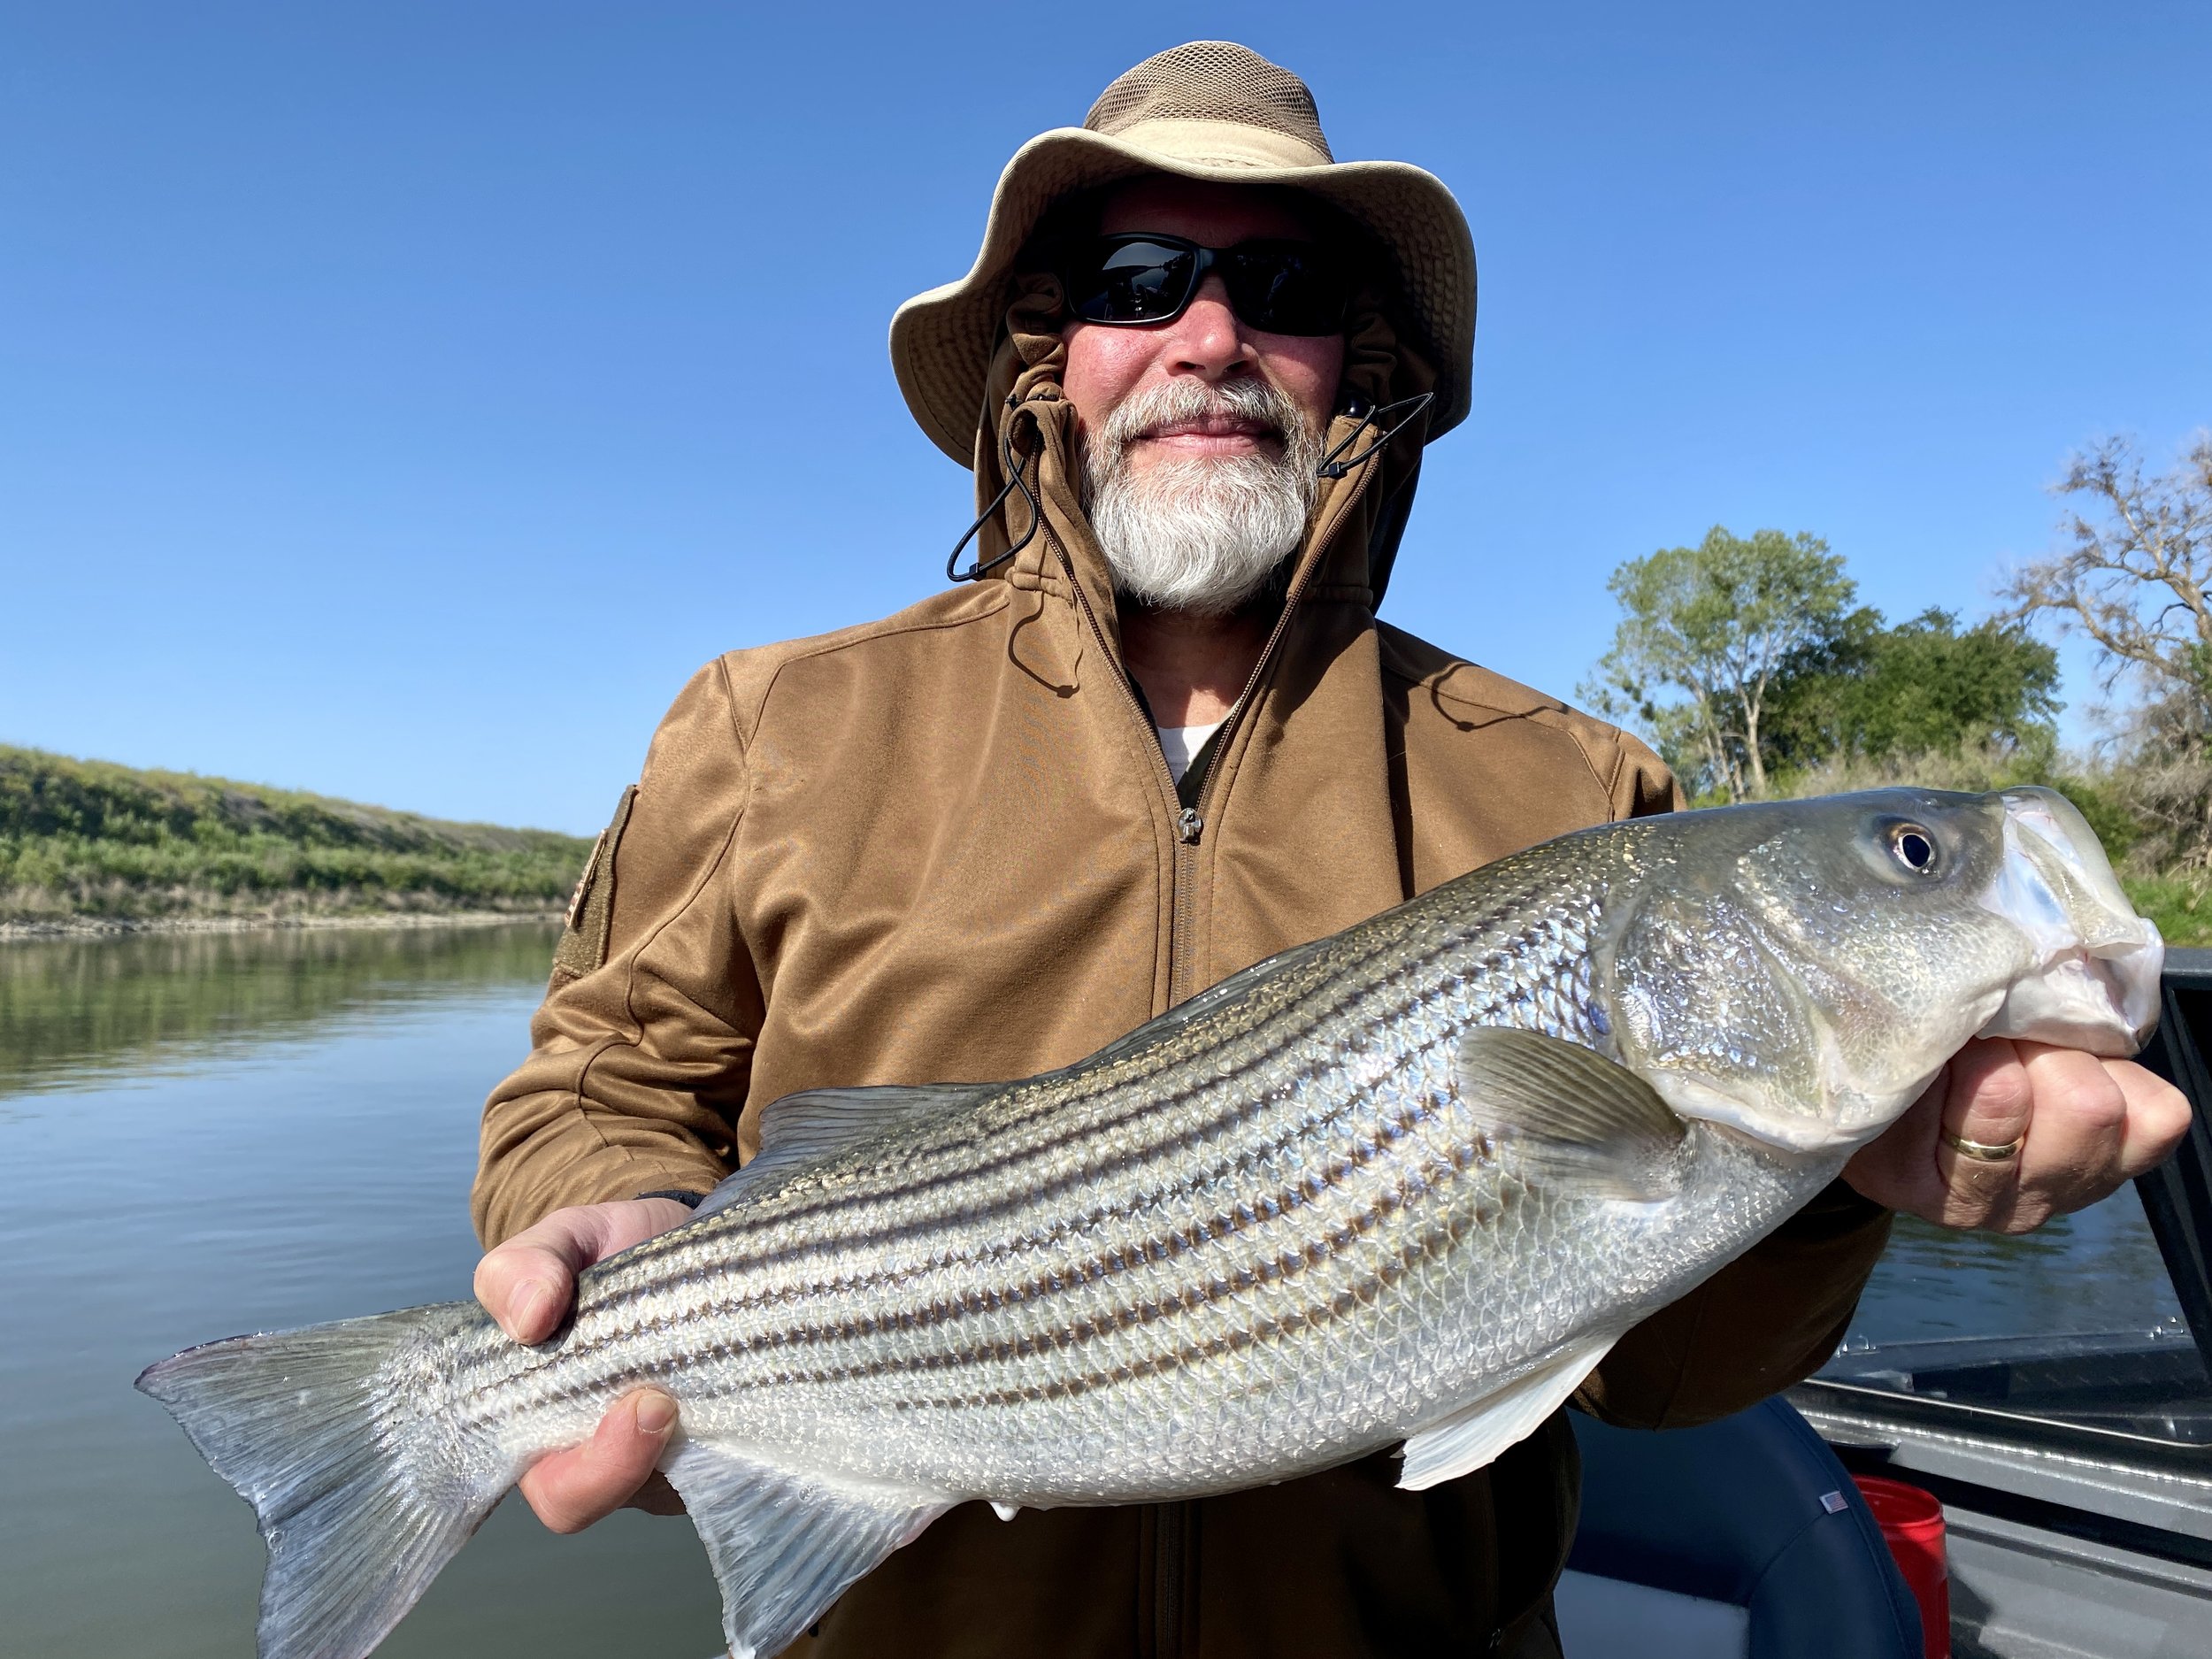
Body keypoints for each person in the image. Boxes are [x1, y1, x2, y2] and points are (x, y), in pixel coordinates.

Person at [470, 42, 2190, 1659]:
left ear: (1353, 372)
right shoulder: (774, 718)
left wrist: (1842, 1190)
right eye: (1141, 280)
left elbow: (1650, 1373)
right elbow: (605, 1081)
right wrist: (588, 1199)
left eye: (1280, 295)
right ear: (1049, 356)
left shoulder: (1573, 781)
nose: (1208, 335)